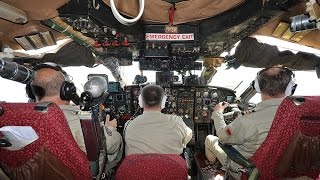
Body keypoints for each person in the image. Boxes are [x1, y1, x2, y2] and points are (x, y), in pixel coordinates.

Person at [204, 67, 297, 179]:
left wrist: (218, 113)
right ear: (289, 89)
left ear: (257, 86)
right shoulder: (299, 114)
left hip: (247, 170)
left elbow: (223, 138)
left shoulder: (249, 120)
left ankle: (214, 168)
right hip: (281, 169)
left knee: (210, 139)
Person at [28, 62, 122, 163]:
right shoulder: (82, 122)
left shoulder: (20, 118)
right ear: (68, 90)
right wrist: (109, 128)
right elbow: (113, 145)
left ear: (32, 92)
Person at [124, 84, 193, 156]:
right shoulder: (176, 121)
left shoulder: (128, 125)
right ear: (163, 102)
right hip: (170, 166)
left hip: (137, 167)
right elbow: (188, 136)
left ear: (140, 102)